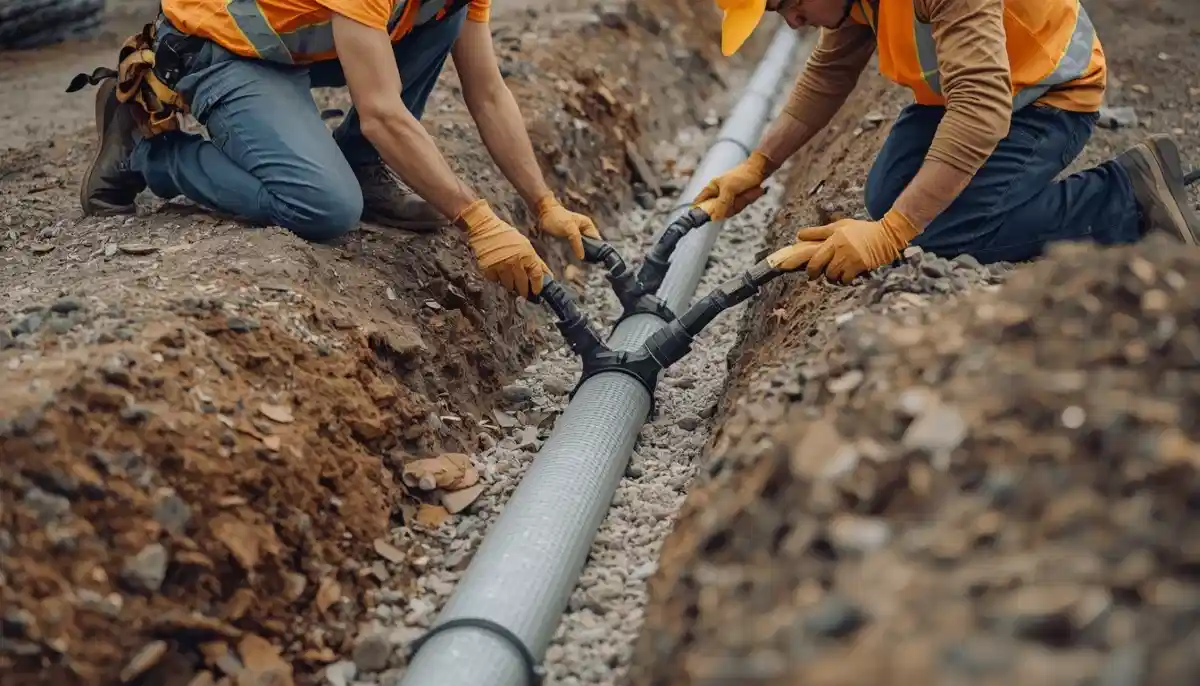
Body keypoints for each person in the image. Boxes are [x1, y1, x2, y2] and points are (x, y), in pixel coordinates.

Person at [74, 0, 602, 298]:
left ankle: (362, 166)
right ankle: (146, 149)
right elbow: (382, 113)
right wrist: (477, 220)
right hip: (221, 49)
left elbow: (487, 92)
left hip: (294, 41)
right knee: (322, 207)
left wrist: (543, 202)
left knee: (447, 15)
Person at [707, 0, 1200, 282]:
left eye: (789, 3)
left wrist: (893, 234)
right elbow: (828, 74)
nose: (793, 21)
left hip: (1047, 93)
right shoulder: (850, 2)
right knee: (890, 198)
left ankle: (1127, 197)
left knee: (935, 232)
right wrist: (758, 164)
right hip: (971, 93)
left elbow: (981, 111)